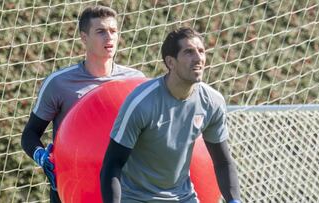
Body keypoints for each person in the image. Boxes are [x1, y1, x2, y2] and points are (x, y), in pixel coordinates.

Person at [100, 27, 241, 203]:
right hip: (136, 199)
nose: (198, 58)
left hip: (183, 198)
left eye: (201, 51)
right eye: (189, 52)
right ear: (170, 62)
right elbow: (112, 165)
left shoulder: (213, 102)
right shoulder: (141, 103)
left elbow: (222, 162)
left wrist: (234, 200)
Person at [21, 5, 145, 203]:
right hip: (74, 186)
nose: (109, 37)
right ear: (84, 38)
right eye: (101, 31)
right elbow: (30, 134)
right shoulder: (59, 83)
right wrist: (43, 157)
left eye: (113, 31)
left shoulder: (136, 81)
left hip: (127, 187)